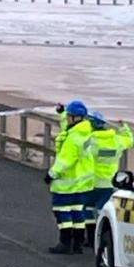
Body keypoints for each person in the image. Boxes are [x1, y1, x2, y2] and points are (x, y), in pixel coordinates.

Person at [44, 100, 94, 254]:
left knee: (62, 211)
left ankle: (65, 242)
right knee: (77, 212)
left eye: (69, 116)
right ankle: (78, 243)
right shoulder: (84, 131)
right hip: (82, 182)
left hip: (66, 182)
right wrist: (62, 112)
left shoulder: (73, 139)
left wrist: (51, 174)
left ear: (74, 117)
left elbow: (65, 160)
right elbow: (67, 125)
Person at [84, 111, 134, 248]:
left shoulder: (89, 141)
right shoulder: (116, 140)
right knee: (102, 210)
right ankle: (100, 238)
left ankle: (89, 237)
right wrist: (124, 127)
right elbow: (129, 140)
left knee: (87, 210)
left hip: (90, 182)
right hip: (108, 183)